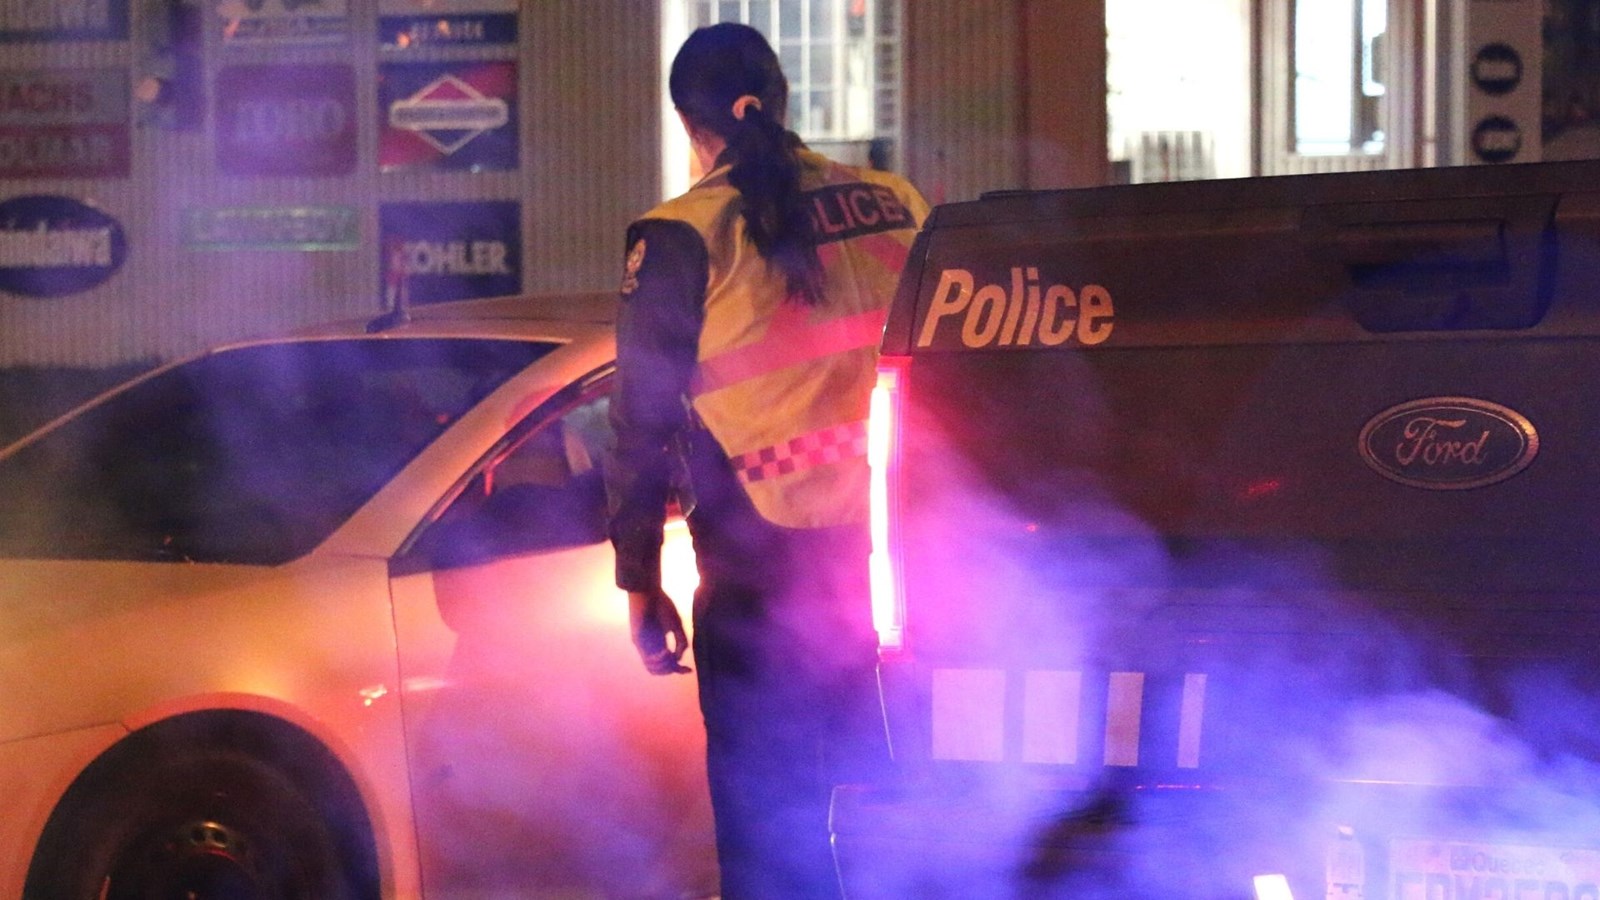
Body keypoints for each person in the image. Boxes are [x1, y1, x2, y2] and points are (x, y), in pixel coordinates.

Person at [605, 21, 929, 900]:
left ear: (690, 125)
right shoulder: (898, 200)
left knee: (768, 825)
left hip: (762, 576)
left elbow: (639, 425)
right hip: (906, 566)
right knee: (894, 814)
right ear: (782, 101)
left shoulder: (681, 235)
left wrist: (639, 581)